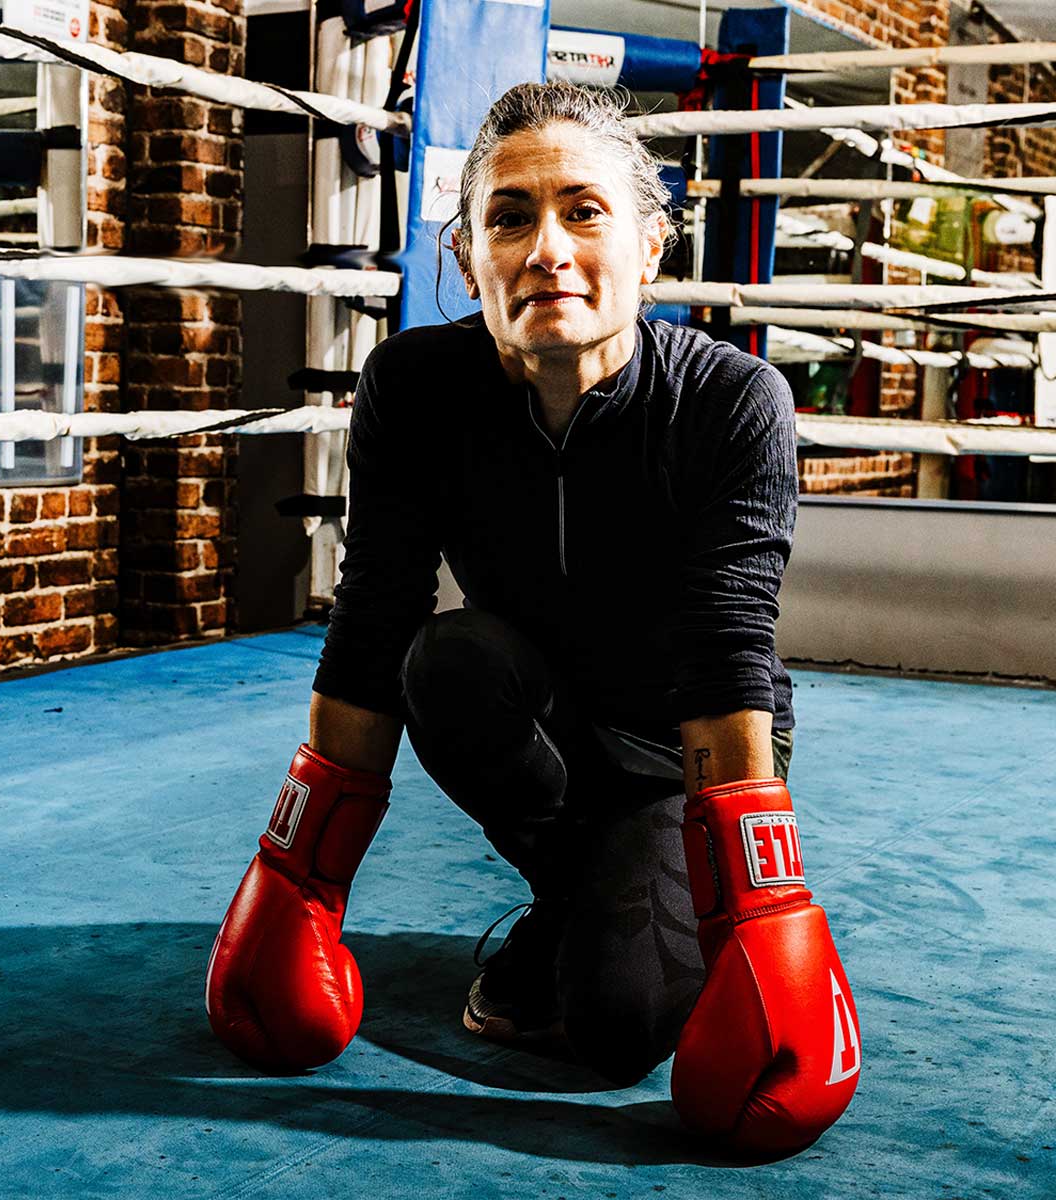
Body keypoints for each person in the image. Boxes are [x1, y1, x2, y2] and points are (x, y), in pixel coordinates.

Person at [205, 81, 860, 1157]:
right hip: (533, 708)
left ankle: (623, 906)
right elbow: (373, 614)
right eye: (511, 216)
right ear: (469, 260)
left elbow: (728, 646)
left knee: (615, 1030)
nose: (547, 247)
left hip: (677, 748)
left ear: (650, 247)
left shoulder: (731, 401)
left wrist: (763, 906)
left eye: (584, 210)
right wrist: (298, 875)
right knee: (444, 660)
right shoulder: (415, 386)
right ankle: (583, 892)